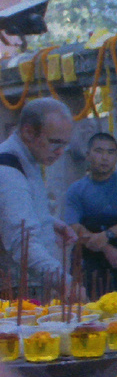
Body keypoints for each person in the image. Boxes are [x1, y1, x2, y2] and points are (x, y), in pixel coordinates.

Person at [0, 97, 82, 299]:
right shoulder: (8, 170)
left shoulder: (27, 158)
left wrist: (50, 222)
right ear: (28, 132)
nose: (60, 152)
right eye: (55, 143)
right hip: (19, 289)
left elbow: (14, 212)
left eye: (65, 145)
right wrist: (66, 283)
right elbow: (23, 243)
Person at [62, 132, 117, 297]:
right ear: (88, 155)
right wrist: (106, 247)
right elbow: (74, 226)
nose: (105, 158)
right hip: (91, 271)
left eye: (111, 152)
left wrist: (107, 234)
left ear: (116, 156)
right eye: (99, 151)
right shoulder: (76, 190)